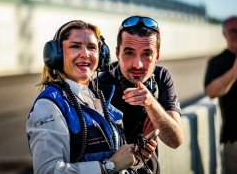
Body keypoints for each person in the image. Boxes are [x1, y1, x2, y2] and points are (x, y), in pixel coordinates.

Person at [26, 20, 157, 174]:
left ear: (101, 56)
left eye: (91, 48)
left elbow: (113, 159)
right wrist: (109, 166)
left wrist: (135, 158)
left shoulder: (98, 99)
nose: (85, 54)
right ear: (56, 54)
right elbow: (47, 171)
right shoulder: (49, 105)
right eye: (75, 46)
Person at [96, 16, 184, 174]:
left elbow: (176, 140)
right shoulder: (99, 86)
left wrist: (151, 104)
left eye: (147, 54)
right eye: (129, 53)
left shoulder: (161, 77)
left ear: (157, 56)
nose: (138, 64)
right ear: (117, 53)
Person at [204, 16, 237, 174]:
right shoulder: (217, 62)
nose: (236, 34)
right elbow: (211, 92)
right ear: (224, 34)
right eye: (233, 31)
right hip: (233, 139)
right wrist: (234, 72)